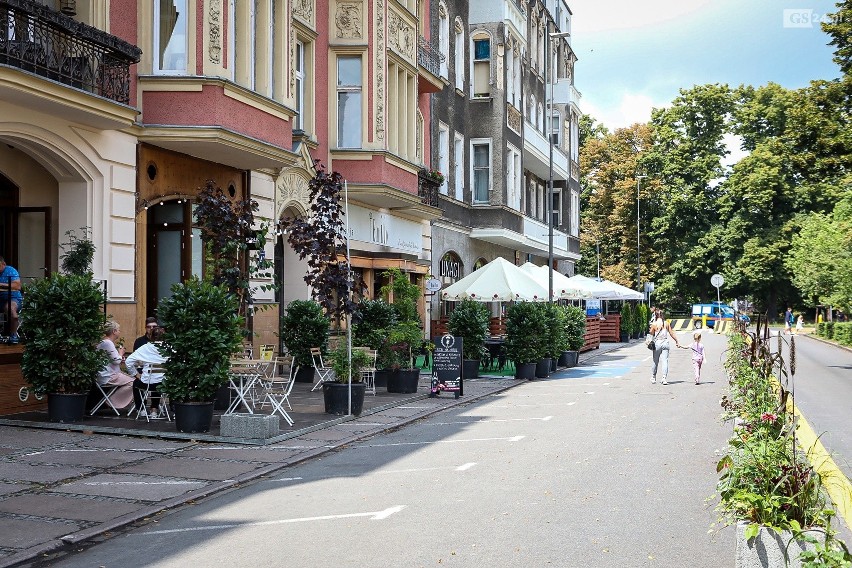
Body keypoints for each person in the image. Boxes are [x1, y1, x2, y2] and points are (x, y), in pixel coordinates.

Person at [125, 326, 168, 419]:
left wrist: (135, 374)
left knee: (137, 383)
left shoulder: (146, 347)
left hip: (147, 384)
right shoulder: (169, 348)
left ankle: (141, 409)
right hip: (165, 384)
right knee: (158, 380)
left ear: (151, 336)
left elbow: (128, 361)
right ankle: (154, 410)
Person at [96, 320, 135, 412]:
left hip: (104, 374)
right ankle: (111, 402)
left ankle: (111, 401)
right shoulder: (108, 343)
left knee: (133, 382)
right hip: (109, 376)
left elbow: (113, 360)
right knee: (136, 383)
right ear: (114, 331)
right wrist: (121, 353)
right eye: (118, 330)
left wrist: (120, 358)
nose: (119, 332)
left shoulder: (103, 342)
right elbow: (116, 361)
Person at [648, 309, 682, 385]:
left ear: (656, 316)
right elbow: (671, 333)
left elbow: (651, 333)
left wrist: (652, 329)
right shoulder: (666, 323)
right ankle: (664, 378)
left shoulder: (654, 324)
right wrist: (677, 341)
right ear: (662, 315)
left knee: (655, 361)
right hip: (665, 343)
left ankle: (653, 377)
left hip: (657, 344)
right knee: (665, 361)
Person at [0, 256, 23, 344]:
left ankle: (13, 334)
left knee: (10, 309)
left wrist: (1, 284)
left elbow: (17, 286)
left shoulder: (10, 271)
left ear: (3, 264)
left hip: (13, 298)